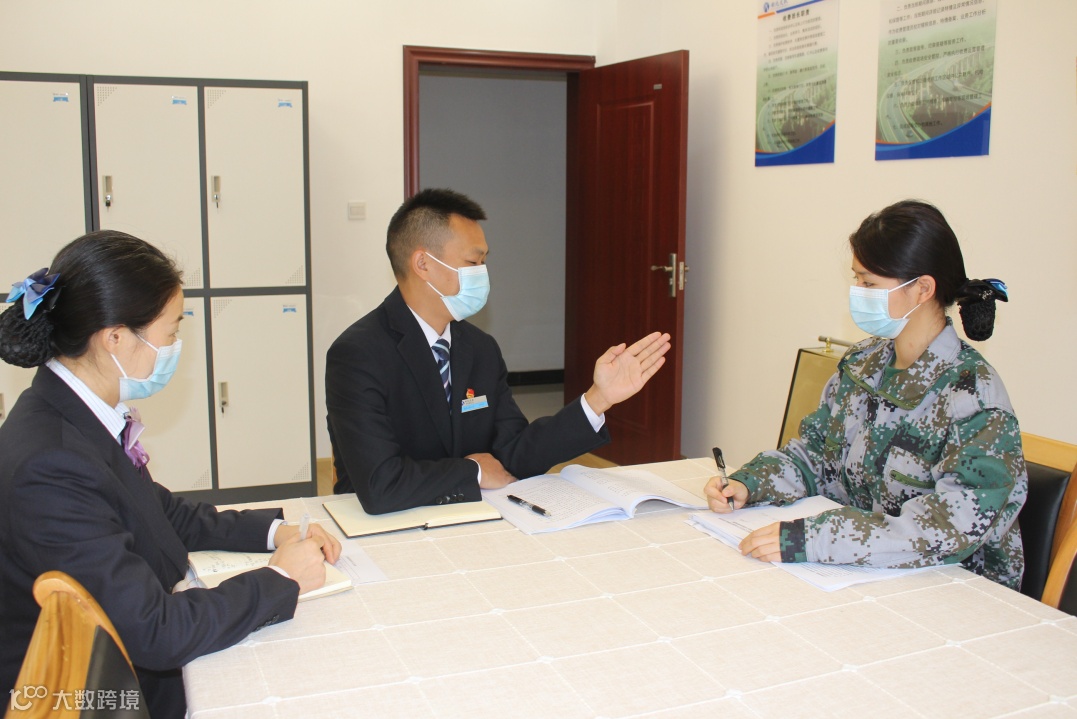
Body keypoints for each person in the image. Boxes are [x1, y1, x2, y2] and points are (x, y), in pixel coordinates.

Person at [0, 231, 341, 718]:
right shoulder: (50, 465)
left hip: (112, 660)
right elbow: (156, 631)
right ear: (115, 338)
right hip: (76, 693)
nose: (175, 347)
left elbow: (159, 512)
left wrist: (274, 532)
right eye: (170, 332)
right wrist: (282, 578)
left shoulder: (75, 415)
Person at [704, 200, 1027, 589]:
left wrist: (821, 537)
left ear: (923, 289)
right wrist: (749, 484)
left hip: (955, 588)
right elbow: (815, 457)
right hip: (862, 573)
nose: (858, 293)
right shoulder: (863, 363)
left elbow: (948, 528)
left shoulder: (973, 397)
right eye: (857, 280)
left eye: (869, 284)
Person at [326, 188, 671, 514]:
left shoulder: (480, 348)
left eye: (484, 262)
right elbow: (381, 485)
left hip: (473, 516)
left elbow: (514, 454)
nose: (483, 274)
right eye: (472, 262)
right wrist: (473, 471)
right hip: (385, 527)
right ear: (423, 264)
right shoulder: (358, 354)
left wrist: (597, 399)